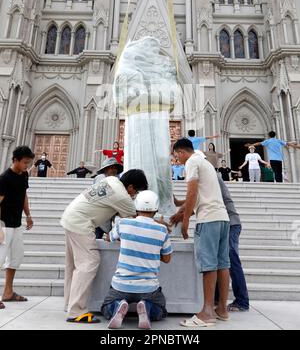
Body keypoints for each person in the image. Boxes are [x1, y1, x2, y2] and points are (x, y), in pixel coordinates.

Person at [60, 169, 148, 324]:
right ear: (131, 187)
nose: (134, 196)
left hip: (70, 217)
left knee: (74, 266)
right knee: (89, 263)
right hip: (81, 224)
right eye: (136, 192)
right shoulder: (122, 197)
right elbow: (140, 218)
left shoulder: (111, 180)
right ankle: (76, 311)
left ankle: (70, 304)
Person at [171, 138, 230, 327]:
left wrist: (186, 220)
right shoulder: (205, 163)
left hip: (209, 219)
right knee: (222, 264)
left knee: (209, 265)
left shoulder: (192, 162)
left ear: (181, 152)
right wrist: (180, 205)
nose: (176, 160)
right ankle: (221, 309)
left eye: (176, 156)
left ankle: (206, 312)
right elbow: (202, 194)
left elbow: (193, 192)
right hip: (222, 218)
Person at [101, 190, 172, 329]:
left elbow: (109, 237)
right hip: (148, 288)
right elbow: (167, 258)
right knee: (161, 311)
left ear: (136, 206)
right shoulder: (162, 230)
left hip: (121, 284)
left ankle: (117, 306)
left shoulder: (124, 223)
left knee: (105, 307)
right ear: (156, 208)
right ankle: (147, 306)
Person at [0, 146, 35, 310]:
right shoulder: (4, 178)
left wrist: (28, 215)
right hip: (4, 225)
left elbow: (23, 195)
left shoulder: (24, 174)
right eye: (24, 163)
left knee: (15, 258)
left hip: (17, 224)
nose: (27, 166)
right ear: (15, 160)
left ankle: (8, 292)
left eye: (29, 163)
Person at [216, 175, 249, 312]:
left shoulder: (212, 177)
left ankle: (242, 301)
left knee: (231, 258)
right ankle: (216, 298)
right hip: (221, 224)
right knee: (219, 260)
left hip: (231, 223)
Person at [93, 157, 124, 239]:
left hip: (108, 216)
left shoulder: (117, 180)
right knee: (96, 239)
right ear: (105, 169)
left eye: (115, 168)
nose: (113, 170)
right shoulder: (100, 178)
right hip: (98, 215)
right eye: (111, 168)